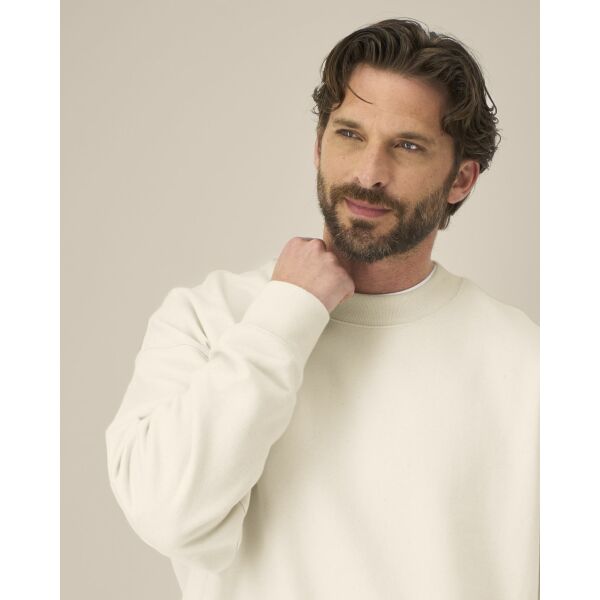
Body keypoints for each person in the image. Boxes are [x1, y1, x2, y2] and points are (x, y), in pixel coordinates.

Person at [105, 18, 539, 600]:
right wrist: (285, 316)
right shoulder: (212, 317)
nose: (369, 173)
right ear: (318, 146)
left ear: (460, 180)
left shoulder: (528, 364)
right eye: (350, 135)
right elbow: (165, 515)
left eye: (407, 146)